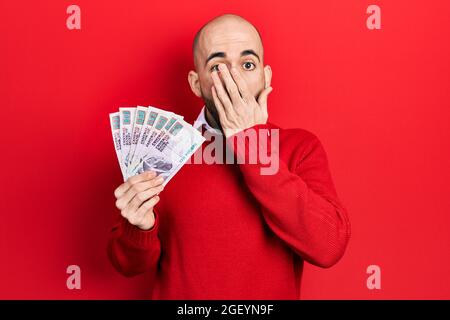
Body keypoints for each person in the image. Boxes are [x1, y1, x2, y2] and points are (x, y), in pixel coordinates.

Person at [108, 13, 351, 299]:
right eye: (218, 66)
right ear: (196, 83)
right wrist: (139, 227)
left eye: (247, 65)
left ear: (266, 76)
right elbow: (128, 265)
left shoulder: (299, 147)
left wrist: (249, 142)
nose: (234, 79)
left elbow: (328, 247)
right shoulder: (163, 148)